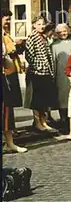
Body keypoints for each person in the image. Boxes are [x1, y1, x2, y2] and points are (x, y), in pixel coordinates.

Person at [24, 15, 56, 132]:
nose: (41, 26)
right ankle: (37, 122)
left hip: (46, 72)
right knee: (36, 100)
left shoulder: (44, 37)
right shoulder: (32, 37)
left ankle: (43, 121)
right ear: (34, 25)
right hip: (36, 73)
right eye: (39, 24)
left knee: (44, 99)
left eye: (43, 24)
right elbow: (29, 55)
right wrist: (37, 66)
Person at [2, 10, 27, 153]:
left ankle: (10, 143)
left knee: (7, 109)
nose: (9, 22)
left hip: (7, 75)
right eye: (6, 19)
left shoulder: (6, 35)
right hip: (5, 75)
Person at [51, 23, 71, 133]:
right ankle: (63, 120)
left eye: (64, 31)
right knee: (62, 99)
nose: (63, 34)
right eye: (60, 32)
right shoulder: (54, 45)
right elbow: (53, 62)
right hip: (60, 75)